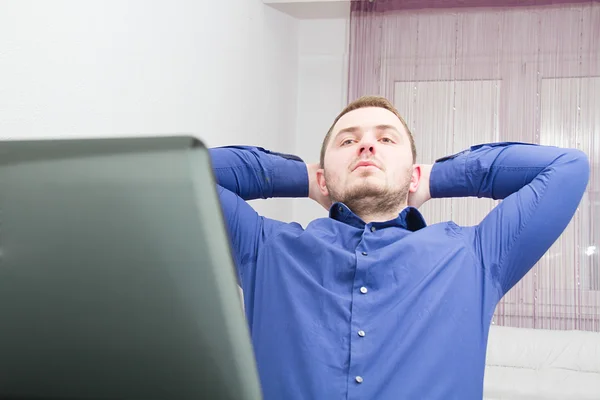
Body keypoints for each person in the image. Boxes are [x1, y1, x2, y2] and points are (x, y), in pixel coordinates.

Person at [208, 96, 590, 400]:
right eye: (348, 141)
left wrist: (434, 179)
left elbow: (567, 168)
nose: (367, 145)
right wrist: (308, 178)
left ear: (414, 172)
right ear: (322, 177)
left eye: (386, 139)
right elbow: (190, 168)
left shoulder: (474, 255)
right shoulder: (266, 248)